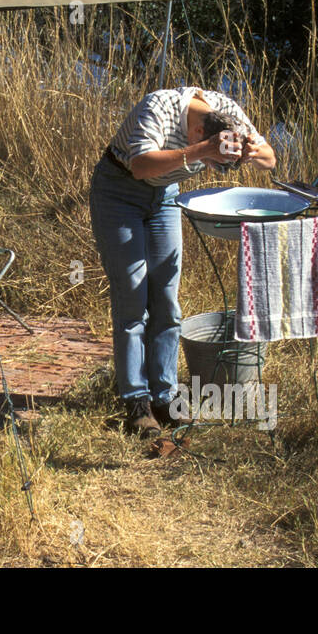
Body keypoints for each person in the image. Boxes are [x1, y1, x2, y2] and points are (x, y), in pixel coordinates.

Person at [90, 86, 276, 437]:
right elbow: (142, 166)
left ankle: (166, 396)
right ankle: (136, 402)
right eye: (209, 163)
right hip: (119, 191)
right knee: (133, 296)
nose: (207, 167)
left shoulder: (226, 113)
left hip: (165, 197)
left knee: (167, 298)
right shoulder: (158, 107)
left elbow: (271, 159)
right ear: (196, 133)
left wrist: (254, 150)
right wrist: (199, 152)